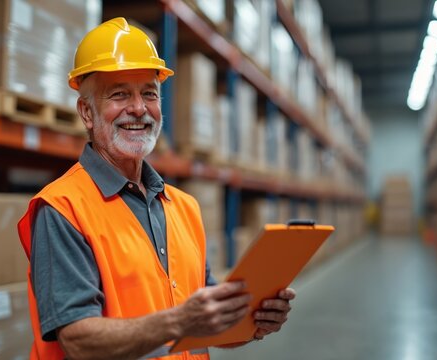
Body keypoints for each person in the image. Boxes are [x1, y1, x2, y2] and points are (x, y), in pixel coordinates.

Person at [18, 17, 295, 360]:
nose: (138, 108)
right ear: (87, 112)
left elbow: (205, 325)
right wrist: (178, 321)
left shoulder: (183, 207)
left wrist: (253, 321)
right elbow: (78, 340)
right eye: (119, 94)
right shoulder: (63, 208)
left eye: (149, 93)